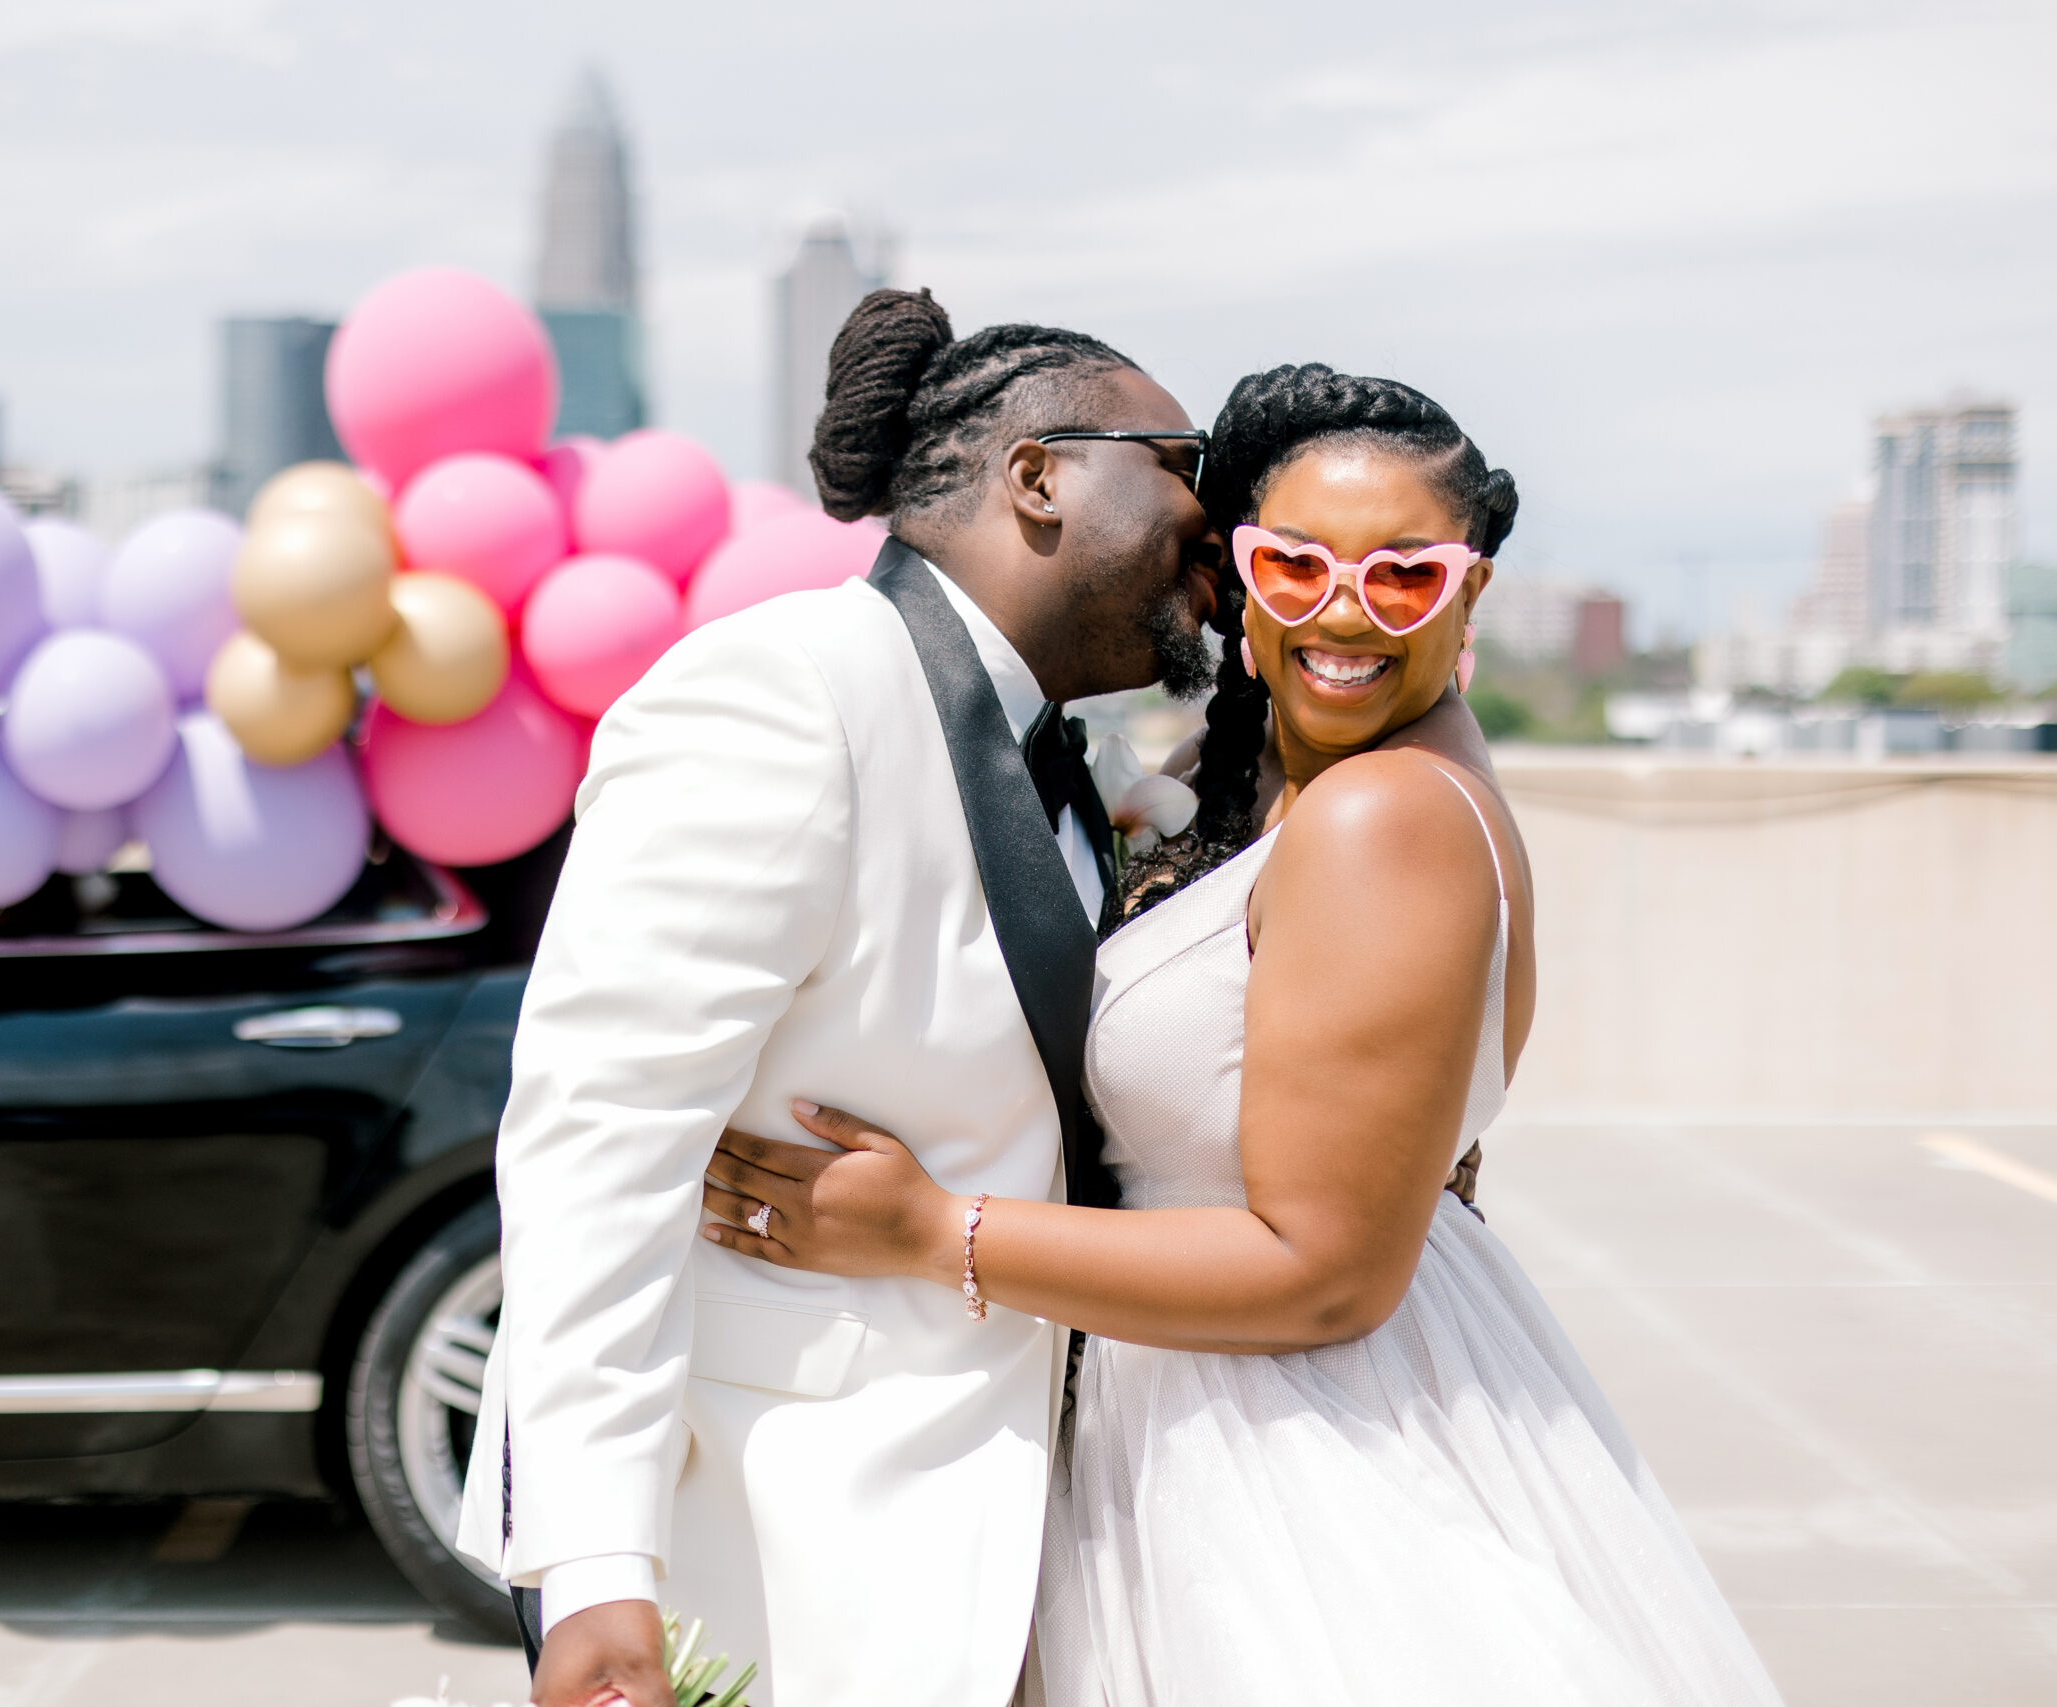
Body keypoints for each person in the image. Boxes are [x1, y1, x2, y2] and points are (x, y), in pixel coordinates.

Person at [702, 366, 1786, 1706]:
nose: (1343, 611)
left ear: (1471, 593)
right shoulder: (1316, 787)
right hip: (1239, 1413)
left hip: (1301, 1464)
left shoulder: (1381, 821)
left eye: (1402, 577)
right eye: (1296, 566)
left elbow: (1323, 1270)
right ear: (1240, 574)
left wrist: (936, 1232)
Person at [454, 288, 1220, 1707]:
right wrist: (598, 1572)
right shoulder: (781, 693)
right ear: (1038, 477)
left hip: (1001, 1545)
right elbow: (598, 1145)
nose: (1211, 512)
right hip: (779, 1550)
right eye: (1182, 460)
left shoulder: (1059, 759)